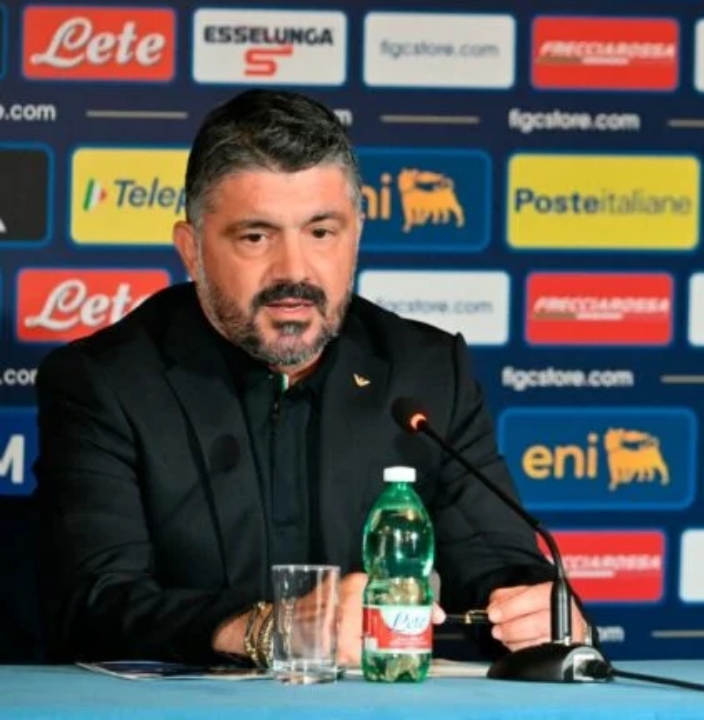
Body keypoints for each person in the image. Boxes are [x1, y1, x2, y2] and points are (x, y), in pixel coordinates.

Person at [34, 89, 588, 666]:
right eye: (256, 236)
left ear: (356, 236)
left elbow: (498, 565)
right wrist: (267, 630)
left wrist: (537, 610)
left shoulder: (427, 372)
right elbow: (91, 606)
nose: (294, 272)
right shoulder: (106, 382)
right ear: (192, 250)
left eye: (321, 232)